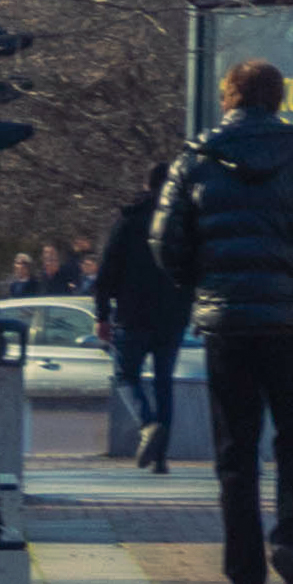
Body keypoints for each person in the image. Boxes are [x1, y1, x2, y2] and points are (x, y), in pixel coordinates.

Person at [152, 59, 293, 584]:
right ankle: (288, 536)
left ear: (228, 98)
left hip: (227, 326)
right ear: (277, 99)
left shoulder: (196, 157)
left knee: (236, 456)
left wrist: (203, 285)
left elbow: (165, 241)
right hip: (289, 324)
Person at [93, 165, 187, 470]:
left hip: (133, 314)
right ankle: (161, 458)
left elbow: (107, 269)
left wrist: (101, 313)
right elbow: (194, 271)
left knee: (126, 375)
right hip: (172, 317)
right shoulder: (182, 222)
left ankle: (147, 424)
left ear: (147, 184)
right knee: (164, 383)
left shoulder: (129, 220)